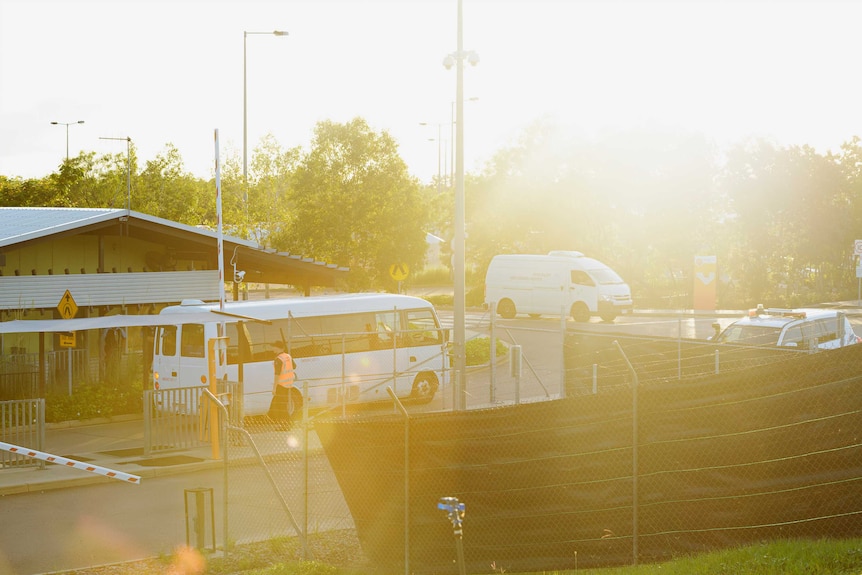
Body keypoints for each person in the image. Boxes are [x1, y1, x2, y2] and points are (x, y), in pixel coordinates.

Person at [267, 340, 298, 428]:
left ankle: (286, 425)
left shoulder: (279, 359)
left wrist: (274, 387)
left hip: (281, 385)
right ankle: (286, 423)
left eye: (274, 347)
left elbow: (277, 374)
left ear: (277, 347)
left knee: (281, 406)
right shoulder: (288, 356)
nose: (272, 348)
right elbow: (294, 366)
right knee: (282, 404)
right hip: (289, 384)